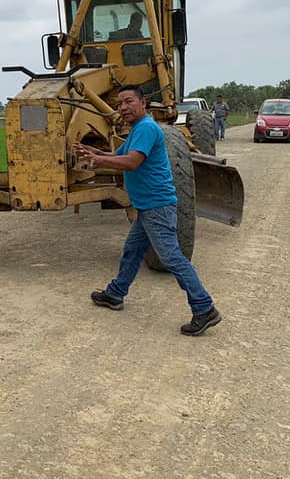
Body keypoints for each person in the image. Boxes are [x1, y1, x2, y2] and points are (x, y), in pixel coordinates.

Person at [74, 85, 222, 336]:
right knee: (132, 251)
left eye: (129, 101)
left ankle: (204, 307)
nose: (123, 107)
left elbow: (132, 162)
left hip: (157, 207)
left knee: (172, 258)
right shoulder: (137, 130)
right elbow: (119, 155)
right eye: (120, 103)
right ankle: (115, 294)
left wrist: (99, 161)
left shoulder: (146, 128)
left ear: (143, 103)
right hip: (147, 207)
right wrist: (96, 152)